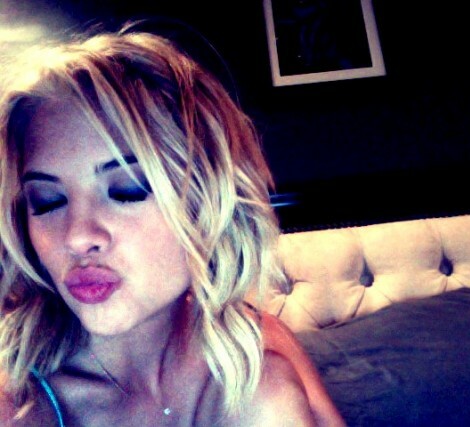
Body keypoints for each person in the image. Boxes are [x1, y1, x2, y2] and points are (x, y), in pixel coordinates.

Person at [0, 23, 345, 426]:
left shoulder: (263, 345)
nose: (77, 237)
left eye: (126, 190)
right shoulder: (19, 405)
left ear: (207, 201)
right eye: (47, 201)